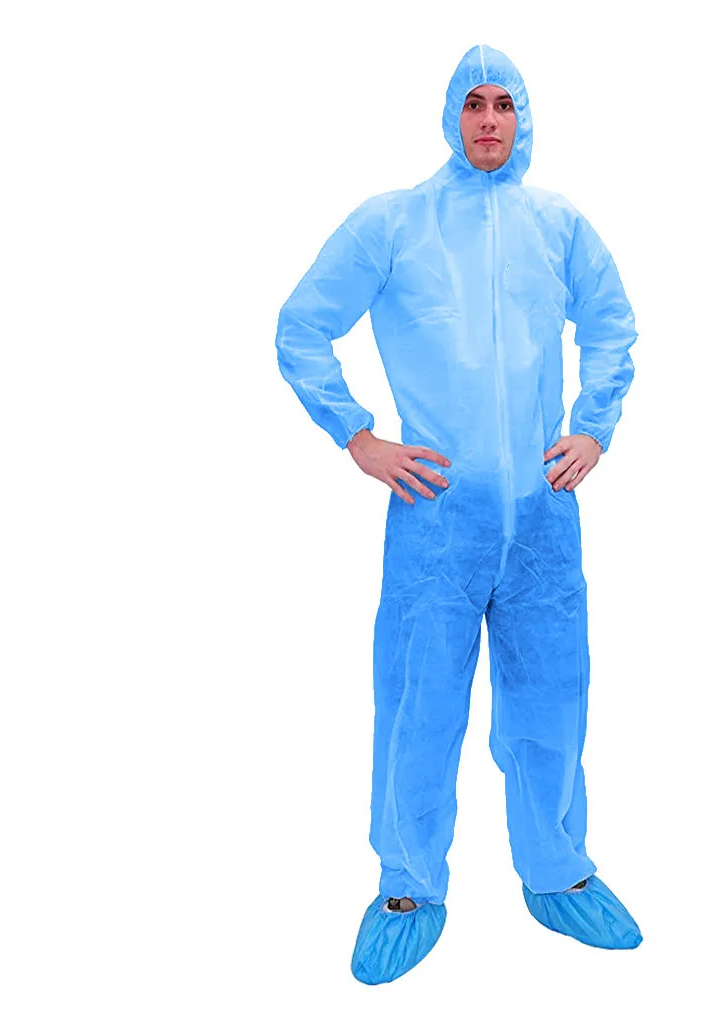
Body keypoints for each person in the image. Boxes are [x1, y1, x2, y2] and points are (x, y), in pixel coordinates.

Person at [275, 44, 643, 984]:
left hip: (543, 515)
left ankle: (558, 872)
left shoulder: (558, 225)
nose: (488, 120)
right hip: (437, 515)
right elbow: (301, 325)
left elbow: (612, 323)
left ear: (524, 118)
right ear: (452, 116)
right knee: (418, 704)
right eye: (474, 104)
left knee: (553, 699)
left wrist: (593, 427)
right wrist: (358, 436)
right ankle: (407, 887)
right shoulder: (394, 224)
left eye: (503, 105)